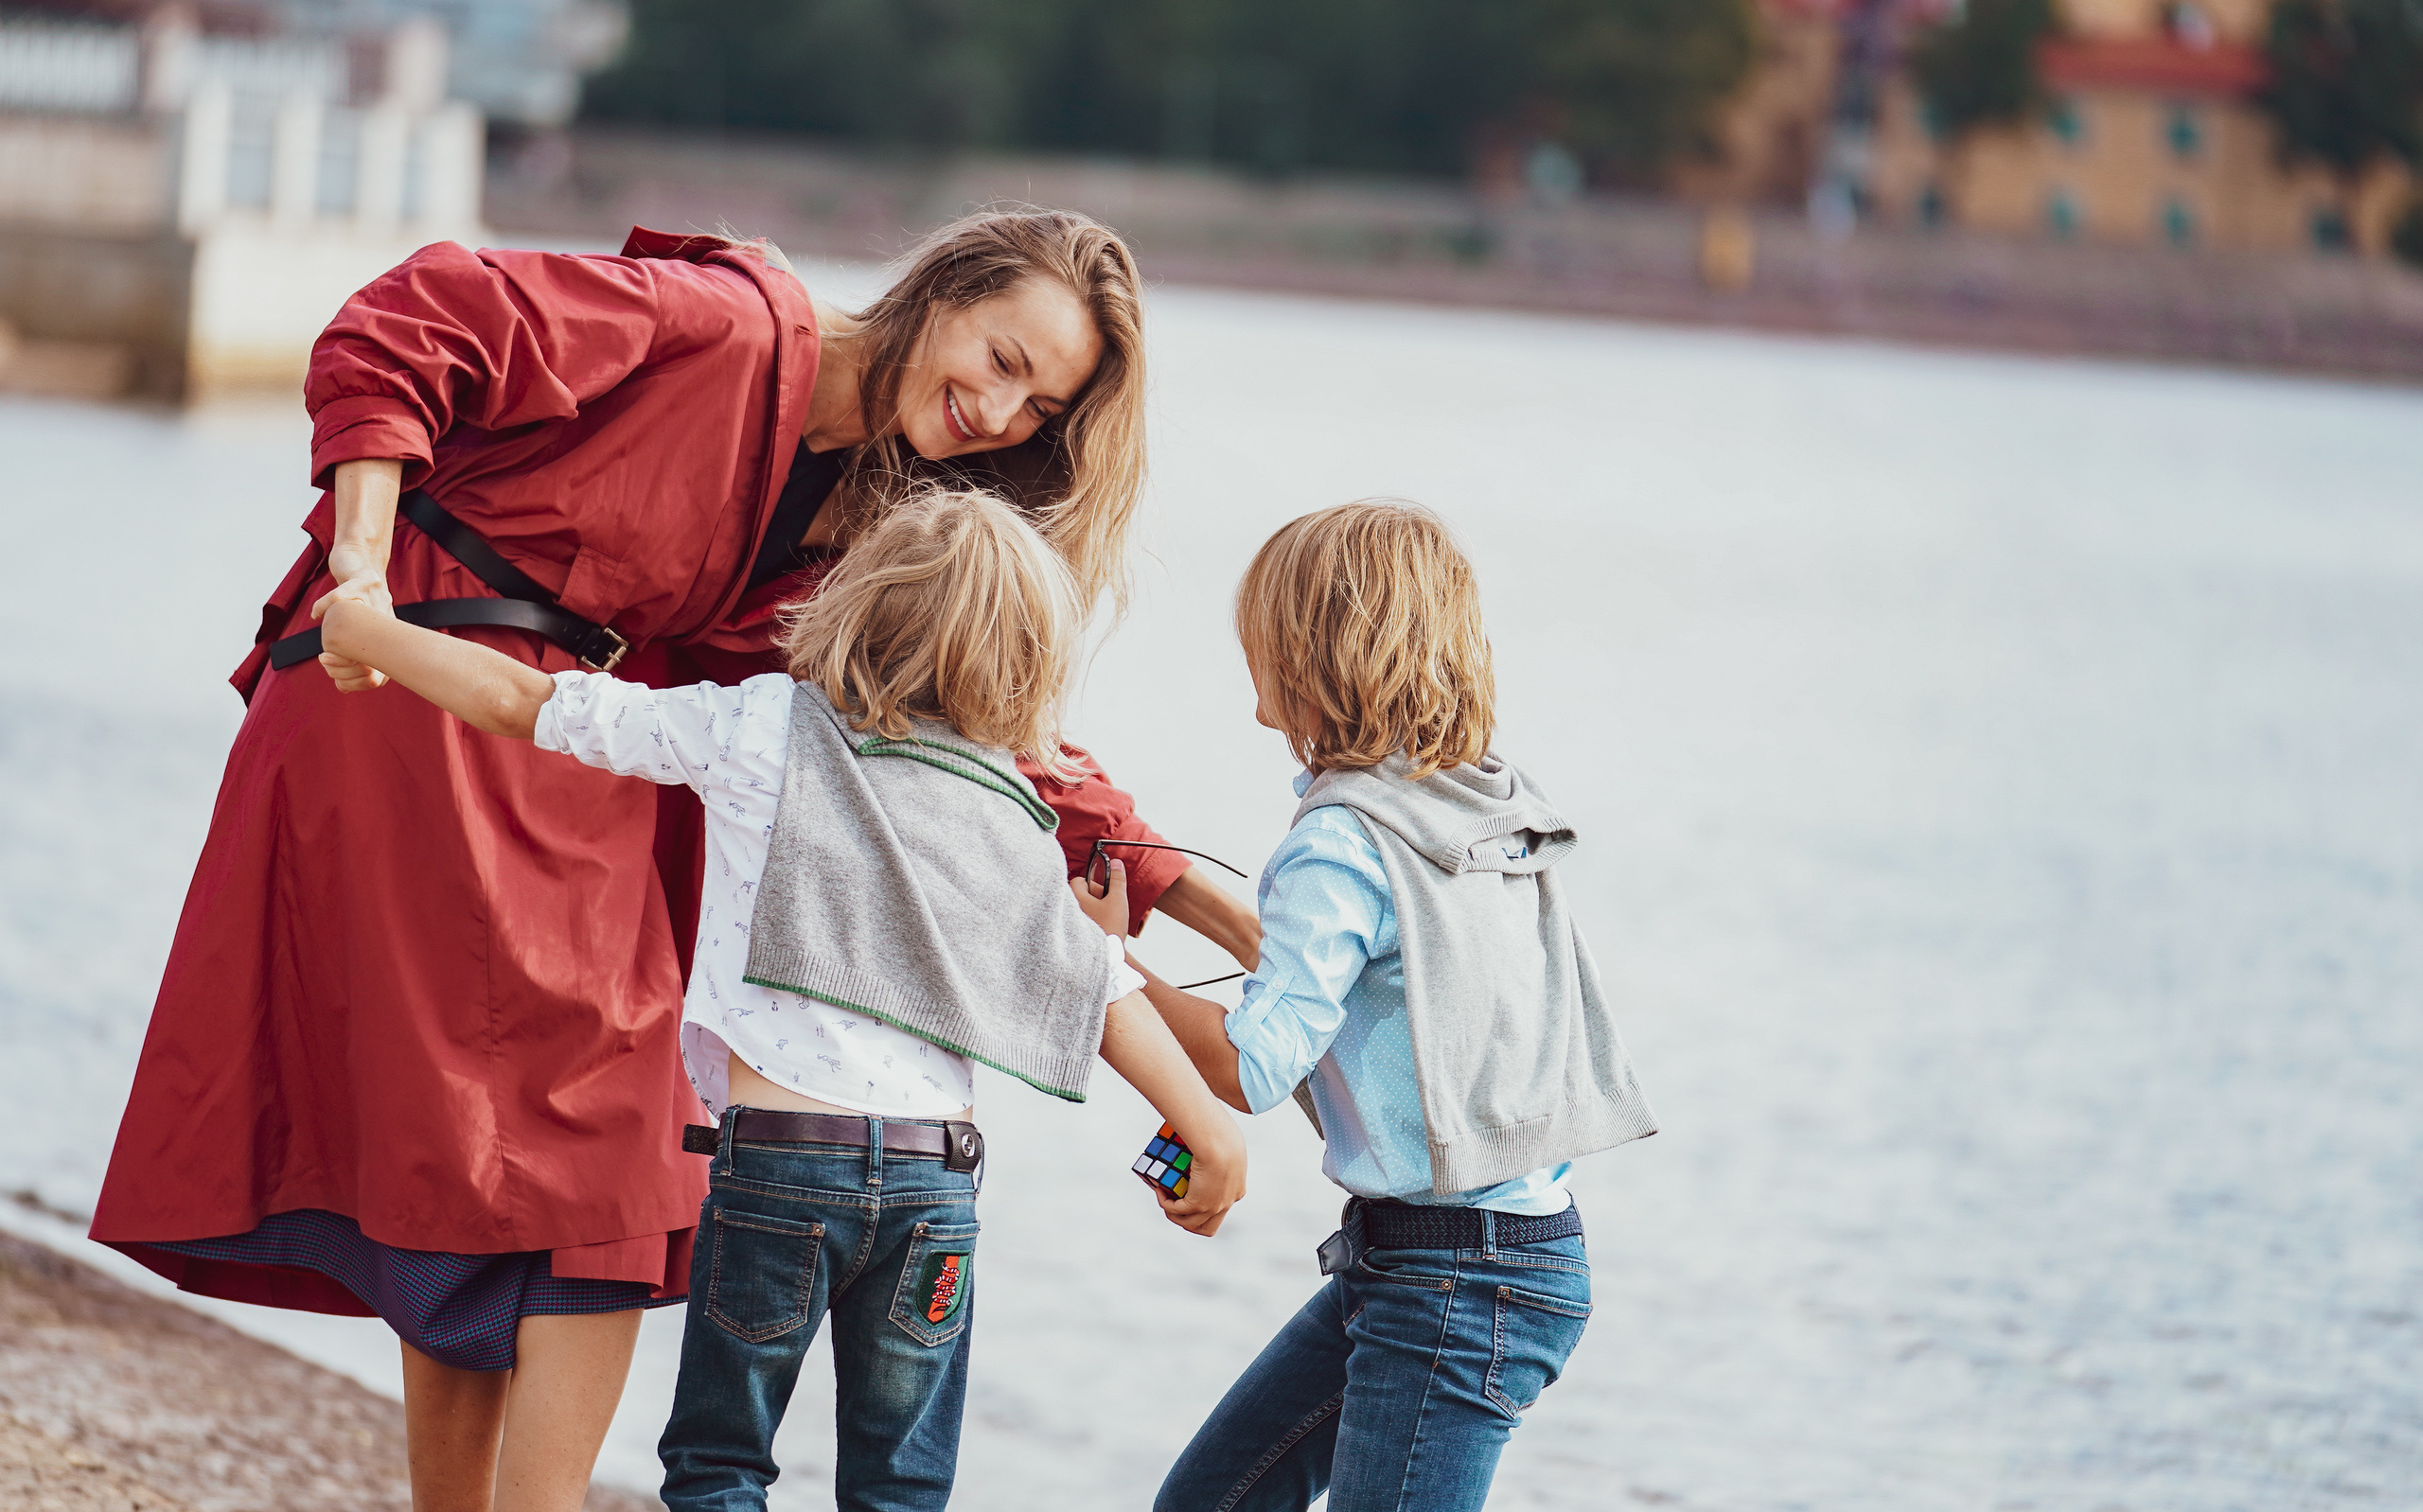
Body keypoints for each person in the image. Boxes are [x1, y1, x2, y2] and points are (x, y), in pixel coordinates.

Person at [88, 210, 1259, 1512]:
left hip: (575, 751)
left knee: (544, 1165)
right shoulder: (725, 324)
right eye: (1000, 357)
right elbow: (416, 315)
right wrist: (357, 565)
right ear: (942, 291)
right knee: (595, 1152)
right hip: (408, 694)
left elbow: (977, 741)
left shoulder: (880, 519)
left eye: (1038, 407)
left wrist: (1228, 916)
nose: (996, 411)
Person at [316, 487, 1247, 1512]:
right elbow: (1099, 986)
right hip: (935, 1184)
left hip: (780, 1168)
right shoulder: (1012, 805)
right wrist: (1206, 1129)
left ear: (851, 606)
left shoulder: (763, 725)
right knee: (900, 1485)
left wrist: (369, 630)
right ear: (1029, 662)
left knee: (723, 1466)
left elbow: (529, 703)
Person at [1135, 500, 1662, 1512]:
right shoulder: (1481, 805)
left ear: (1309, 659)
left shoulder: (1339, 840)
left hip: (1453, 1281)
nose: (1257, 702)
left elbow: (1253, 1065)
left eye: (1261, 654)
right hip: (1481, 1254)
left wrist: (1111, 972)